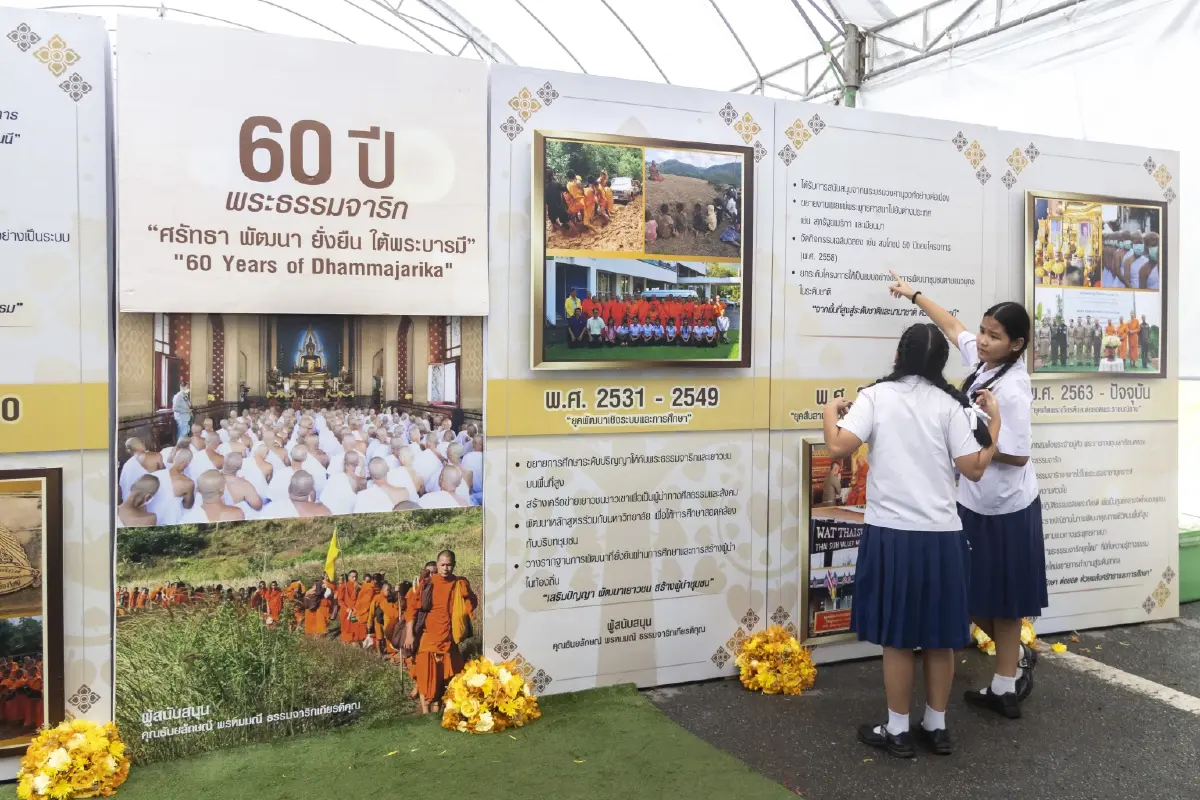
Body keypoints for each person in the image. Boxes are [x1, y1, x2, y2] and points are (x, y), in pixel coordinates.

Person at [824, 320, 1001, 758]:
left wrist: (830, 412)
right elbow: (975, 467)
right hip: (942, 535)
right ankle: (936, 726)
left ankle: (898, 730)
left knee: (898, 638)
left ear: (899, 357)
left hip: (892, 534)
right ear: (941, 362)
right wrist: (994, 427)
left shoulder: (875, 397)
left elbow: (838, 447)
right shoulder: (953, 404)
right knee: (941, 636)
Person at [891, 274, 1046, 720]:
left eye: (993, 336)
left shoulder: (1012, 389)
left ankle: (1004, 685)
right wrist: (914, 295)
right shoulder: (982, 361)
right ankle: (1011, 665)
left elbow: (1016, 456)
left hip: (1007, 505)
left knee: (1007, 597)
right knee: (977, 595)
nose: (981, 340)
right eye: (983, 330)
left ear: (1016, 345)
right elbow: (952, 326)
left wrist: (977, 443)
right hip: (973, 500)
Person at [404, 550, 477, 714]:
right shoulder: (427, 584)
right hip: (429, 636)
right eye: (442, 565)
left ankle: (437, 706)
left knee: (445, 677)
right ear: (437, 565)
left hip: (449, 638)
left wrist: (462, 615)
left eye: (449, 565)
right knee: (425, 676)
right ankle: (425, 711)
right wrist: (410, 633)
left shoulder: (460, 584)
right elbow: (411, 609)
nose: (446, 568)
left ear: (454, 565)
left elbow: (472, 600)